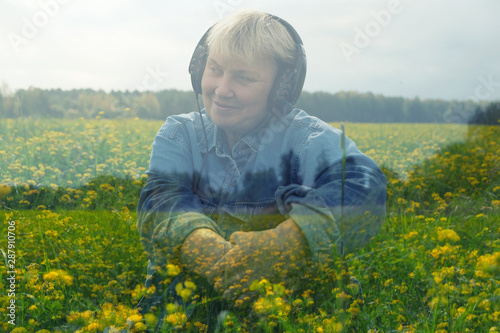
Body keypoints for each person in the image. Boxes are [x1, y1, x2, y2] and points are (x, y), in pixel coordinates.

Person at [136, 9, 386, 331]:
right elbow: (161, 201)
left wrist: (287, 243)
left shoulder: (307, 138)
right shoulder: (179, 134)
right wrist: (213, 256)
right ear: (198, 67)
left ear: (281, 88)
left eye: (243, 78)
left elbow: (366, 189)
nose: (222, 89)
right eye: (214, 69)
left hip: (285, 310)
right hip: (183, 311)